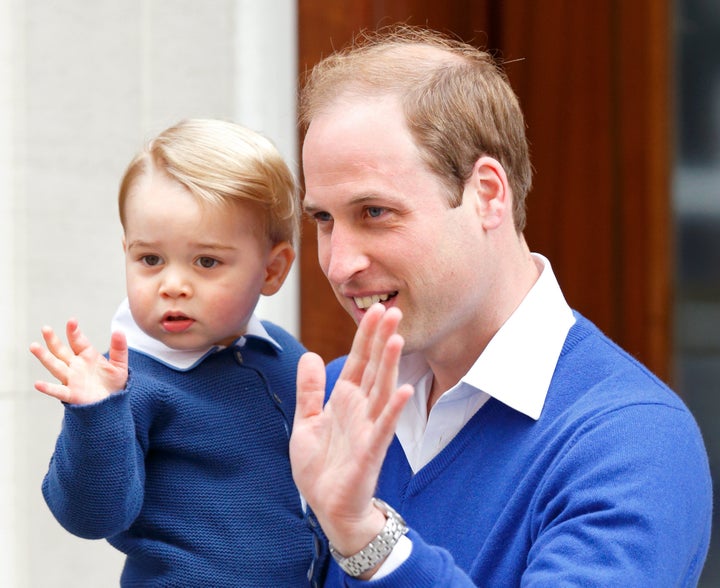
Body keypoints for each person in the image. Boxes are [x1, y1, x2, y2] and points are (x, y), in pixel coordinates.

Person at [289, 26, 713, 586]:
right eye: (323, 219)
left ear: (487, 194)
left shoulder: (630, 441)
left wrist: (368, 540)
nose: (338, 264)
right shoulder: (335, 409)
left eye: (374, 212)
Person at [29, 118, 317, 586]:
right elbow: (89, 517)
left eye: (206, 261)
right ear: (126, 252)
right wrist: (95, 414)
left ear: (272, 270)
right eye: (150, 260)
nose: (173, 285)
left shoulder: (285, 357)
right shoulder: (126, 384)